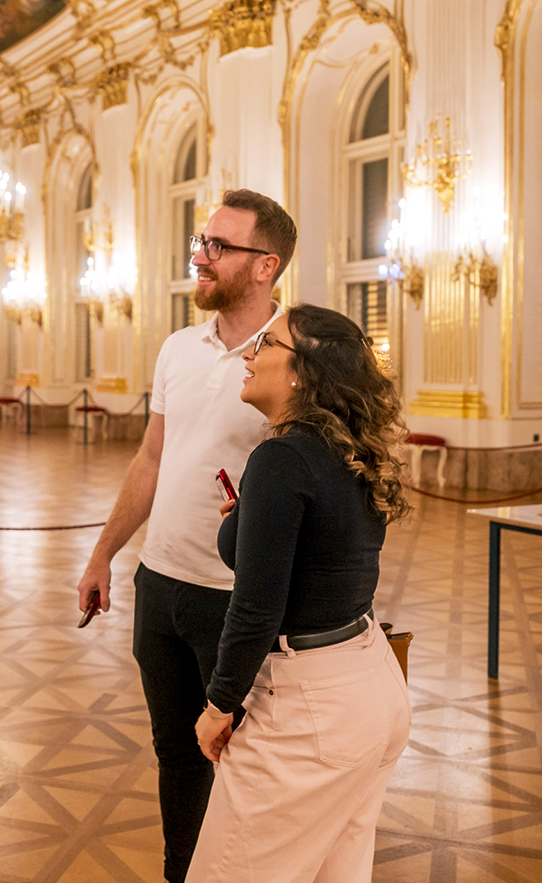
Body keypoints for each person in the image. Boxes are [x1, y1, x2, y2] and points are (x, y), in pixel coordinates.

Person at [77, 189, 297, 883]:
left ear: (266, 266)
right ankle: (183, 874)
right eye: (201, 242)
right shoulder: (179, 347)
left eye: (218, 246)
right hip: (160, 586)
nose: (201, 256)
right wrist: (104, 553)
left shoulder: (296, 356)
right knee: (176, 751)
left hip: (236, 600)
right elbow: (151, 458)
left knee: (247, 760)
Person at [186, 305, 413, 883]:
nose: (249, 353)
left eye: (266, 343)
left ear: (301, 373)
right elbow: (325, 554)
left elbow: (257, 606)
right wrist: (251, 520)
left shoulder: (282, 457)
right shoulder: (347, 450)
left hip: (311, 709)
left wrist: (219, 706)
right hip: (371, 685)